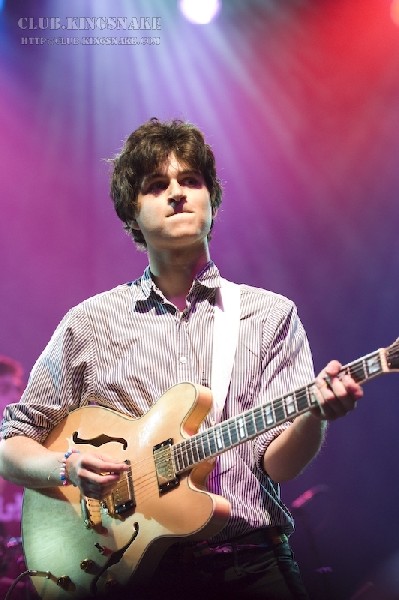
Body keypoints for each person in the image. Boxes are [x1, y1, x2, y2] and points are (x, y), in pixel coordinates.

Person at [0, 118, 363, 600]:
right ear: (132, 212)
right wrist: (67, 467)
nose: (177, 193)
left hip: (249, 565)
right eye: (157, 185)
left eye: (191, 181)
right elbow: (11, 444)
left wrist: (315, 415)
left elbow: (277, 465)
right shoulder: (88, 324)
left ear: (211, 198)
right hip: (125, 571)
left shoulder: (268, 315)